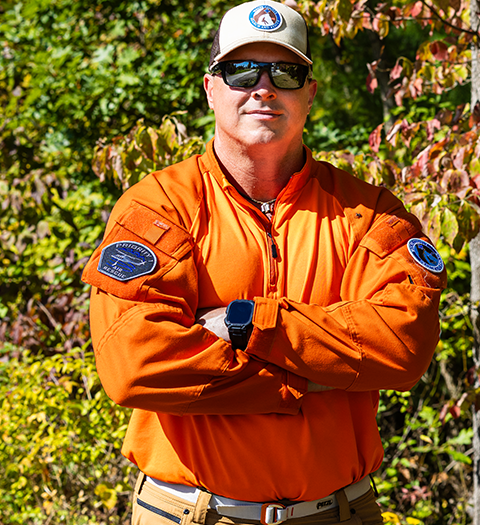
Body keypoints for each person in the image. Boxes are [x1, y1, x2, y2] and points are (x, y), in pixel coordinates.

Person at [81, 1, 445, 523]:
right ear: (211, 89)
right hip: (190, 515)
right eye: (241, 70)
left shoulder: (370, 213)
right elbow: (136, 367)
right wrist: (311, 373)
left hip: (338, 513)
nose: (263, 87)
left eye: (286, 72)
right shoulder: (159, 206)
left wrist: (248, 325)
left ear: (310, 93)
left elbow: (403, 346)